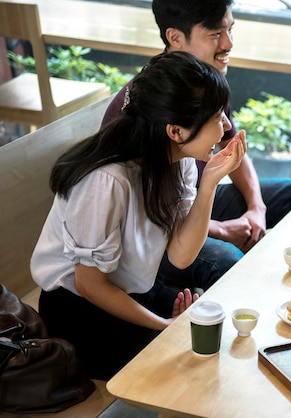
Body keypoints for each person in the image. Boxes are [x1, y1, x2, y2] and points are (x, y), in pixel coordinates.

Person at [31, 51, 246, 380]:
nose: (227, 126)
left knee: (216, 331)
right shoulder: (106, 181)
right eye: (216, 117)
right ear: (175, 131)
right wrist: (163, 326)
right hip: (80, 312)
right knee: (191, 361)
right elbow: (90, 285)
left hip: (135, 289)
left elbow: (181, 255)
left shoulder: (179, 162)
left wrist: (209, 185)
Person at [102, 0, 291, 291]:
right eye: (216, 34)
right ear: (175, 37)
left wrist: (256, 208)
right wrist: (222, 230)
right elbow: (147, 217)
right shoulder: (153, 104)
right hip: (154, 232)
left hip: (199, 199)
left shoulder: (206, 80)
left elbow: (233, 148)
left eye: (229, 31)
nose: (227, 44)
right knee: (226, 259)